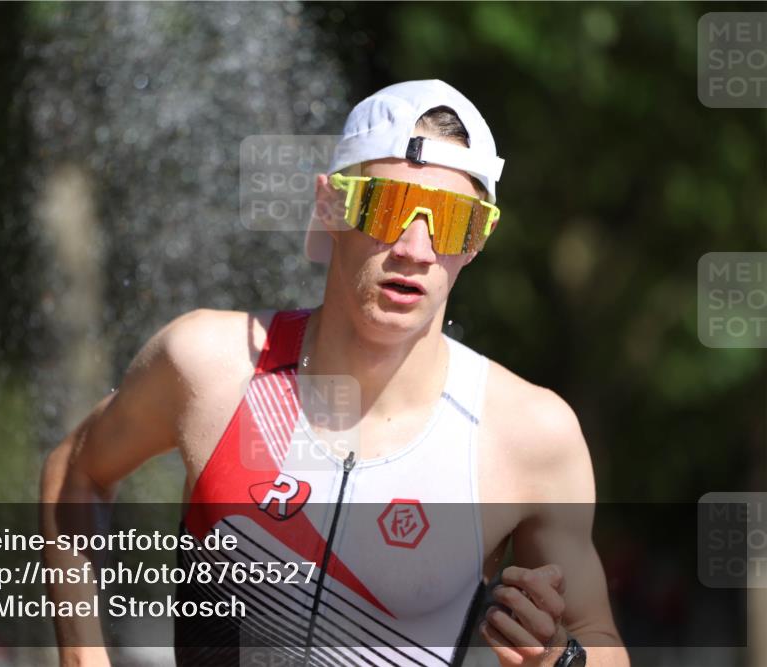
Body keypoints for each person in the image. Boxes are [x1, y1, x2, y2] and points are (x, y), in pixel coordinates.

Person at [41, 80, 629, 667]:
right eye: (391, 206)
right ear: (330, 204)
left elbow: (602, 643)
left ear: (478, 239)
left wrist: (560, 658)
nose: (416, 248)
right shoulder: (210, 364)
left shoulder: (531, 435)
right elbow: (76, 471)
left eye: (451, 221)